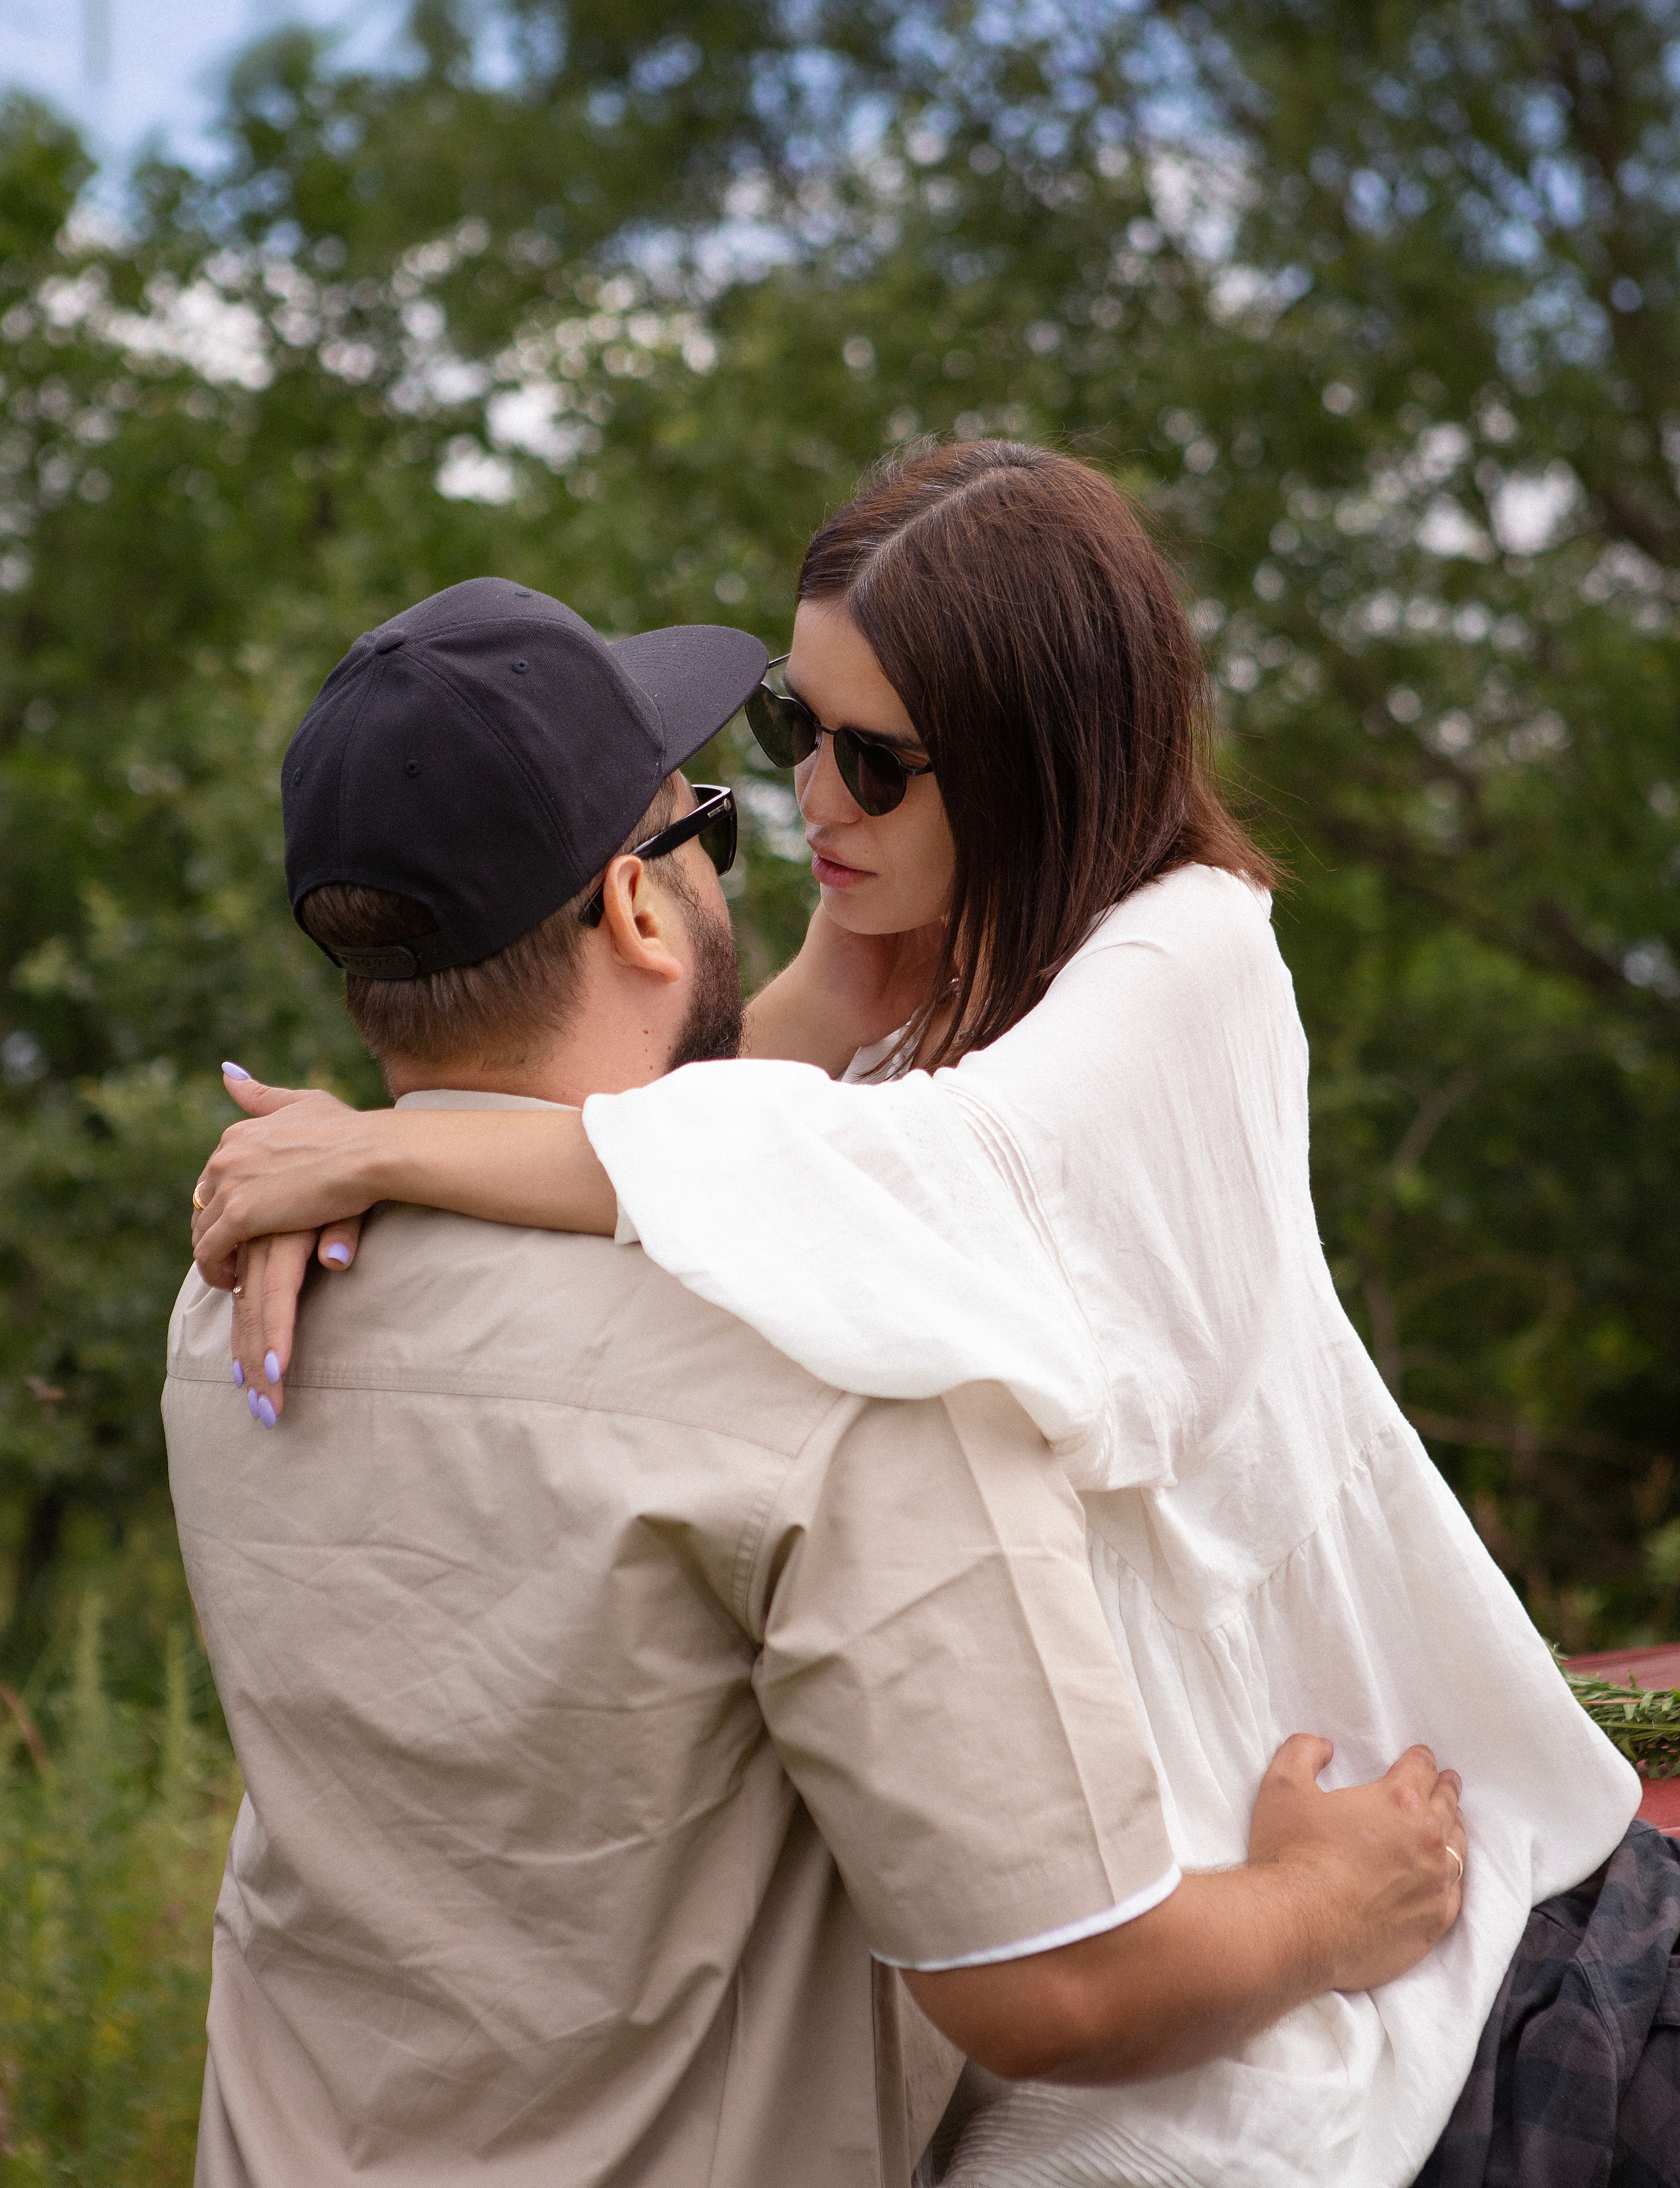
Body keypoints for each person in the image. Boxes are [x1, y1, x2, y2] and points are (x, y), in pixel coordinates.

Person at [188, 450, 1664, 2187]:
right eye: (778, 748)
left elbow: (847, 1162)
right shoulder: (867, 1161)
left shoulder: (1188, 966)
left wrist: (399, 1143)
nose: (813, 801)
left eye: (863, 758)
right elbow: (740, 1118)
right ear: (638, 901)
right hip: (1115, 1860)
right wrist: (441, 1141)